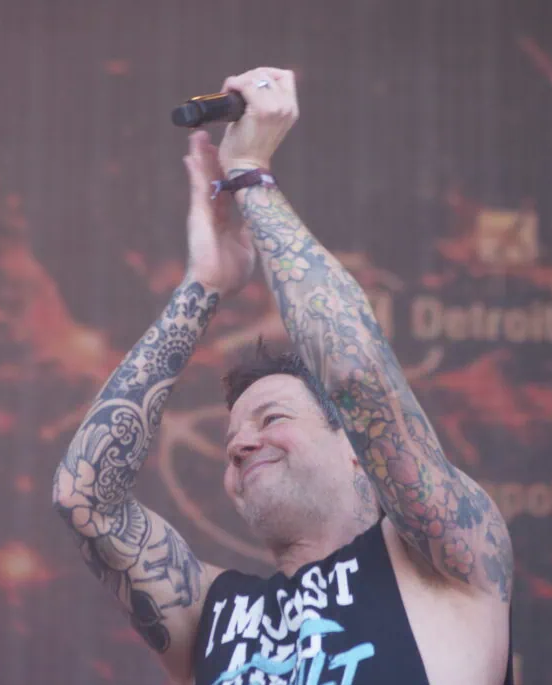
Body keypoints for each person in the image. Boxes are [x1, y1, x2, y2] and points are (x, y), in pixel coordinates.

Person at [52, 66, 515, 685]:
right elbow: (84, 498)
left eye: (272, 418)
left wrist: (250, 174)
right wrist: (204, 285)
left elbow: (355, 376)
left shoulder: (443, 556)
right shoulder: (211, 613)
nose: (241, 444)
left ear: (356, 449)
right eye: (232, 439)